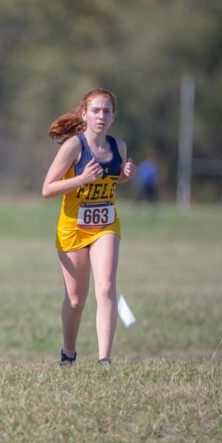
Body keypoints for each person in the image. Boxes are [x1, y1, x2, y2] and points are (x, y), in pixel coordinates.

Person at [42, 89, 136, 365]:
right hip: (73, 228)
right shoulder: (73, 146)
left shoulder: (119, 146)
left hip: (106, 225)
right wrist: (81, 179)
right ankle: (68, 352)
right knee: (75, 300)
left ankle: (104, 359)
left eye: (107, 111)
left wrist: (124, 177)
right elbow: (47, 189)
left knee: (106, 287)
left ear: (113, 116)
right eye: (95, 110)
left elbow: (110, 178)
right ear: (84, 113)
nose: (101, 116)